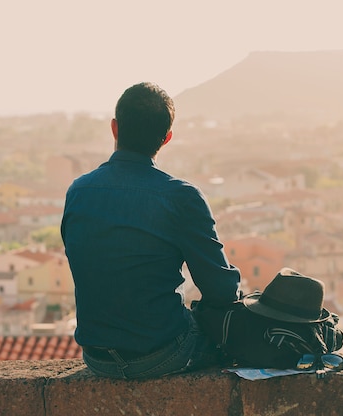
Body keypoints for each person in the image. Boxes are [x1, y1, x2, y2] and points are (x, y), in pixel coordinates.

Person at [60, 82, 241, 379]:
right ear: (166, 138)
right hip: (161, 352)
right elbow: (222, 290)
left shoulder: (79, 191)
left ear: (114, 128)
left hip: (97, 357)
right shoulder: (181, 197)